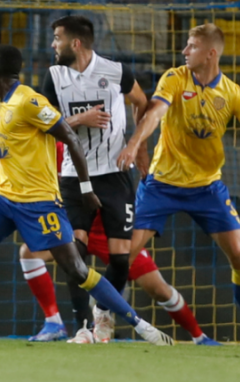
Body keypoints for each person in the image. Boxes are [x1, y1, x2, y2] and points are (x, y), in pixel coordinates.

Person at [0, 44, 174, 346]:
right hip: (1, 196)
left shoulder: (28, 100)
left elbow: (71, 139)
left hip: (39, 201)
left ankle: (139, 325)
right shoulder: (0, 105)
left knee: (78, 268)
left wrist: (85, 188)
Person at [117, 23, 240, 347]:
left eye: (191, 46)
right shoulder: (175, 78)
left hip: (207, 188)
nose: (184, 51)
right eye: (186, 45)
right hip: (161, 184)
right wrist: (135, 144)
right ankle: (101, 320)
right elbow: (154, 113)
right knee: (125, 254)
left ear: (210, 53)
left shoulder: (232, 93)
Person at [17, 15, 148, 342]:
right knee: (73, 252)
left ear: (75, 43)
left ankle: (102, 314)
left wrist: (136, 146)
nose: (52, 45)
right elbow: (44, 124)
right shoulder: (53, 77)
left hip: (115, 174)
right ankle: (82, 327)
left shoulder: (115, 72)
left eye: (57, 38)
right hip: (74, 176)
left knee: (121, 259)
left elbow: (142, 103)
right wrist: (82, 118)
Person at [26, 140, 220, 345]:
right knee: (28, 253)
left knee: (159, 289)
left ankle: (199, 336)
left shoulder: (111, 147)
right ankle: (54, 323)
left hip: (110, 232)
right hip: (78, 228)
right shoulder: (54, 149)